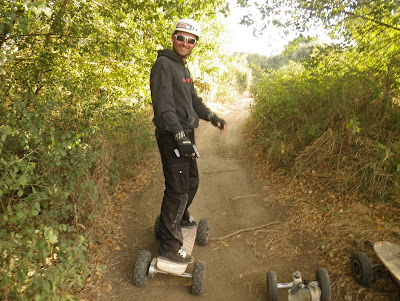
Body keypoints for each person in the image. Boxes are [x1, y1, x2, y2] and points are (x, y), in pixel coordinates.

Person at [150, 18, 227, 264]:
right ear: (173, 38)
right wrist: (180, 136)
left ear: (195, 44)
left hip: (184, 135)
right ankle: (169, 247)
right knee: (177, 189)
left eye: (190, 40)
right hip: (173, 136)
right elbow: (163, 109)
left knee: (191, 180)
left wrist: (211, 116)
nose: (185, 43)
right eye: (181, 37)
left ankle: (178, 218)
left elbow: (192, 101)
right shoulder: (163, 64)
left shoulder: (183, 67)